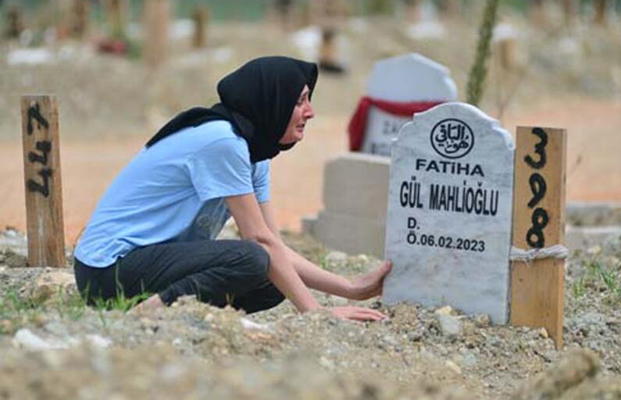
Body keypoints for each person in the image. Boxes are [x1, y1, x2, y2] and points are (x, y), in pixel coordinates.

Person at [73, 56, 391, 322]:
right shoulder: (222, 141)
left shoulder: (255, 153)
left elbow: (274, 245)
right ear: (272, 101)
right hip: (108, 270)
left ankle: (179, 315)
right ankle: (147, 314)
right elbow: (259, 242)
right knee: (253, 259)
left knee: (274, 281)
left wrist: (352, 287)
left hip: (149, 264)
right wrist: (317, 313)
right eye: (299, 101)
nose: (310, 111)